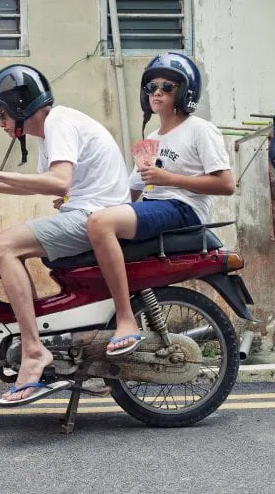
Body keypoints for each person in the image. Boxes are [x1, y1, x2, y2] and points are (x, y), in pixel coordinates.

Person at [0, 64, 130, 404]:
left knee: (4, 247)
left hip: (92, 216)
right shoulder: (49, 131)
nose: (1, 123)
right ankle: (42, 340)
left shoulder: (58, 123)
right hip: (88, 212)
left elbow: (59, 183)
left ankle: (33, 351)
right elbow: (45, 185)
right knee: (8, 245)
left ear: (20, 105)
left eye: (2, 114)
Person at [86, 52, 235, 356]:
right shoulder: (151, 138)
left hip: (183, 209)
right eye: (151, 87)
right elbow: (131, 191)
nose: (157, 93)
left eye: (166, 87)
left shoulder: (200, 129)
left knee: (101, 223)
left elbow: (226, 184)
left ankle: (126, 320)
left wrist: (169, 178)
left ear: (184, 92)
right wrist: (83, 201)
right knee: (91, 224)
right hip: (153, 207)